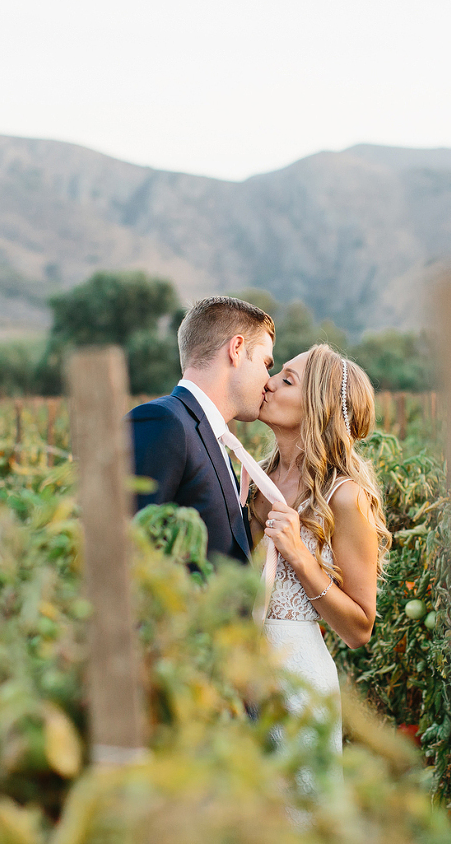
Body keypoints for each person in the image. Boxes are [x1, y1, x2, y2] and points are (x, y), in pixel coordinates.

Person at [249, 343, 392, 771]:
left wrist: (301, 558)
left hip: (299, 684)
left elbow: (360, 628)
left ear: (318, 408)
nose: (268, 383)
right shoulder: (250, 479)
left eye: (286, 380)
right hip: (239, 671)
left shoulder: (345, 497)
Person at [127, 296, 275, 565]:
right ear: (237, 349)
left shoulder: (211, 435)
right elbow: (129, 545)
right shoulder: (165, 422)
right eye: (266, 364)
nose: (269, 381)